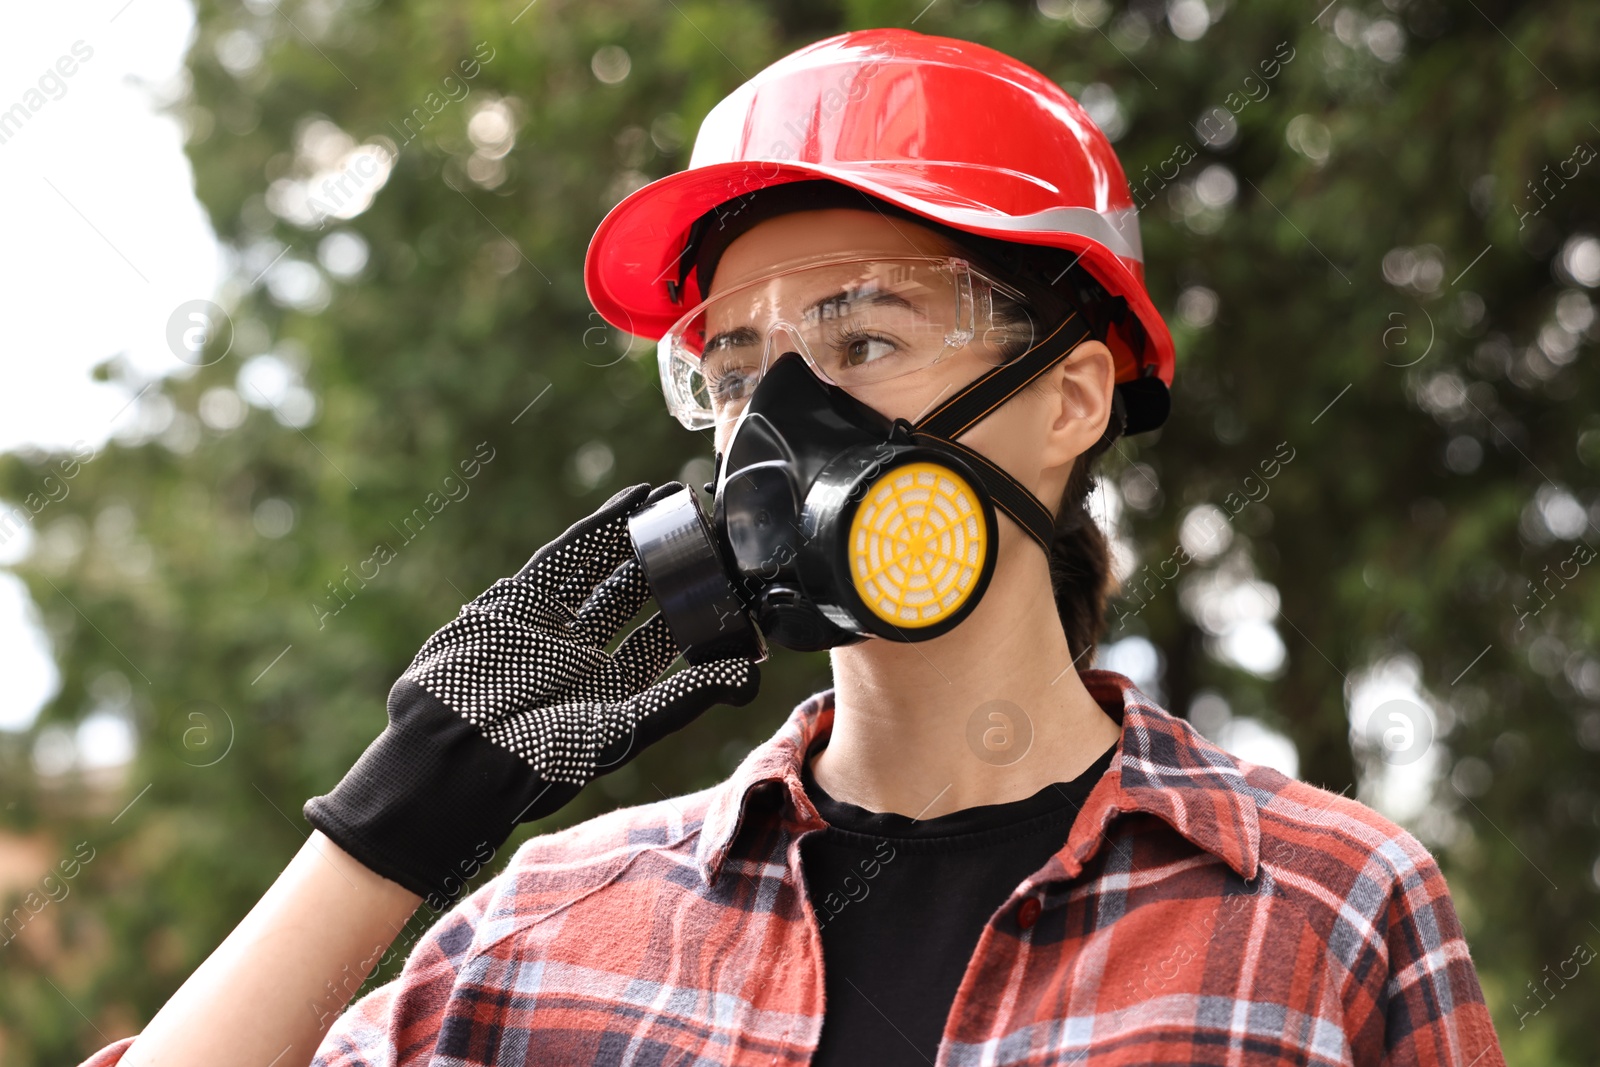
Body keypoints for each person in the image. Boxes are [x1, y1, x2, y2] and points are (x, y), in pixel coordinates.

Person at [81, 28, 1505, 1067]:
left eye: (865, 338)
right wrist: (388, 828)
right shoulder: (558, 933)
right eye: (737, 362)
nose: (782, 419)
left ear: (1071, 398)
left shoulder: (1327, 908)